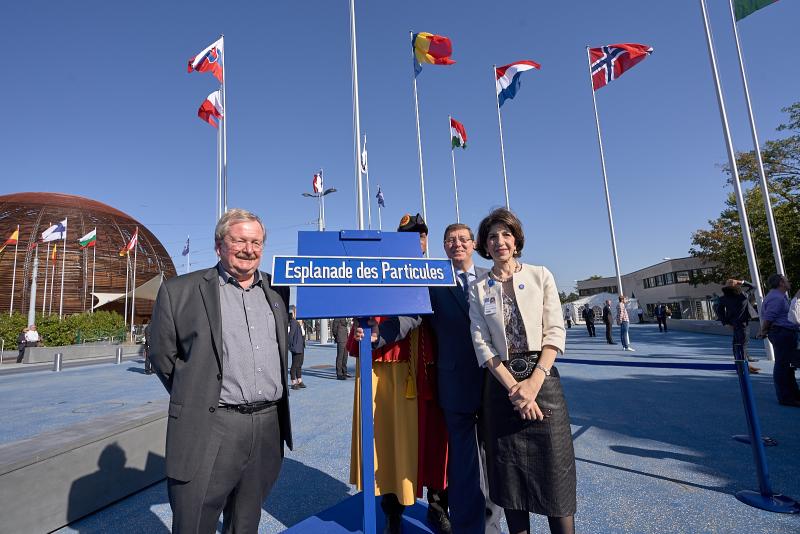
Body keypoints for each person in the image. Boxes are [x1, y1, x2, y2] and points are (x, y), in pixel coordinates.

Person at [149, 208, 292, 533]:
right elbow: (162, 357)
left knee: (246, 521)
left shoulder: (277, 290)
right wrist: (199, 392)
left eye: (256, 242)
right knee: (195, 521)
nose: (248, 249)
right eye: (239, 240)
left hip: (267, 427)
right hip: (211, 426)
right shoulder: (179, 292)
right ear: (219, 246)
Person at [469, 208, 576, 534]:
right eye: (492, 237)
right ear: (485, 246)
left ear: (516, 240)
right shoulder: (479, 288)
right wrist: (515, 389)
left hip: (543, 386)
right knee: (510, 486)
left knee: (556, 483)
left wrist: (532, 384)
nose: (499, 241)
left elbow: (554, 332)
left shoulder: (540, 275)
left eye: (505, 234)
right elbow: (481, 343)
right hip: (502, 393)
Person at [350, 213, 450, 534]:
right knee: (390, 440)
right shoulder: (377, 276)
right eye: (409, 236)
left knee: (437, 443)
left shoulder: (439, 275)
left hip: (433, 373)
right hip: (391, 372)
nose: (418, 240)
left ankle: (438, 508)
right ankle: (393, 510)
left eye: (421, 235)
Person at [427, 222, 501, 534]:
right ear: (444, 247)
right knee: (464, 463)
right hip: (455, 384)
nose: (457, 244)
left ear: (473, 244)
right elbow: (411, 317)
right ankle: (468, 527)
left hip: (494, 382)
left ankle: (492, 524)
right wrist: (378, 334)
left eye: (462, 239)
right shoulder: (434, 283)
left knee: (494, 459)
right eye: (450, 240)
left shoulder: (494, 276)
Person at [757, 274, 800, 407]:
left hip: (784, 332)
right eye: (787, 280)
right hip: (782, 333)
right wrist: (763, 330)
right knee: (783, 365)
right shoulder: (776, 298)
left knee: (787, 366)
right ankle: (786, 397)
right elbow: (769, 317)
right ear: (781, 283)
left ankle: (793, 394)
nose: (789, 282)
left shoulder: (778, 296)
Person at [716, 279, 760, 374]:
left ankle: (741, 365)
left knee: (736, 344)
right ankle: (744, 367)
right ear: (736, 286)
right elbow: (754, 287)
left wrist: (726, 323)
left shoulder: (723, 298)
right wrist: (742, 282)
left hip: (733, 324)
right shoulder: (743, 296)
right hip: (743, 324)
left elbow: (719, 311)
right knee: (743, 345)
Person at [288, 309, 306, 390]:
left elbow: (303, 334)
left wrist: (301, 325)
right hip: (296, 347)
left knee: (300, 364)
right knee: (294, 364)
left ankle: (299, 380)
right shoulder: (293, 322)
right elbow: (290, 335)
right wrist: (290, 346)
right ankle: (293, 381)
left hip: (301, 346)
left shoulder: (299, 323)